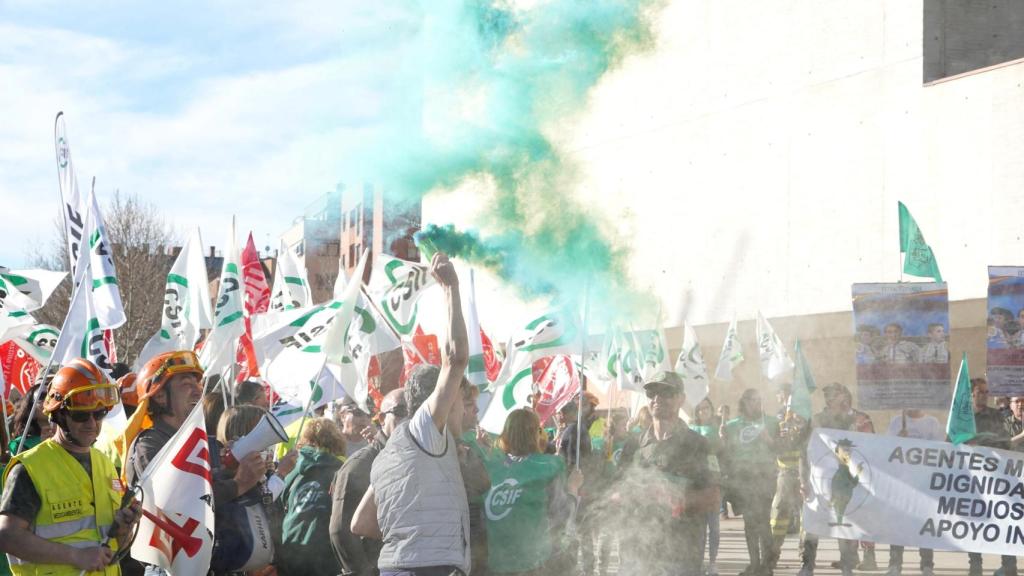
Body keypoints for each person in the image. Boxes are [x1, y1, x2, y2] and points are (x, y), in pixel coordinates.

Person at [352, 252, 471, 576]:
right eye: (461, 400)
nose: (467, 411)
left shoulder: (390, 452)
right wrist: (451, 288)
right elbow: (455, 359)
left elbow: (360, 522)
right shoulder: (424, 429)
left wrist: (409, 532)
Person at [0, 358, 141, 575]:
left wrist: (123, 527)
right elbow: (7, 535)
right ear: (58, 414)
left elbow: (113, 545)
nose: (92, 423)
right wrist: (76, 556)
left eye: (99, 413)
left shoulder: (105, 464)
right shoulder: (30, 468)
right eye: (81, 415)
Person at [617, 371, 713, 576]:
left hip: (681, 553)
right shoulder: (633, 444)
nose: (657, 398)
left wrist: (678, 500)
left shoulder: (699, 444)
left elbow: (713, 498)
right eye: (652, 393)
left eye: (666, 392)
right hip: (639, 552)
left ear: (681, 399)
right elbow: (616, 492)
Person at [482, 408, 582, 575]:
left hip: (497, 565)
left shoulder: (491, 467)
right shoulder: (548, 466)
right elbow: (561, 514)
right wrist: (573, 488)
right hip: (534, 563)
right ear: (535, 434)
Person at [330, 389, 408, 576]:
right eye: (399, 412)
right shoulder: (360, 464)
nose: (407, 419)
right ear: (381, 419)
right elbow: (339, 529)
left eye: (412, 412)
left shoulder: (411, 458)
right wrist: (364, 572)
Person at [798, 383, 864, 576]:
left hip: (844, 479)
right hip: (818, 479)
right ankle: (807, 565)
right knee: (813, 524)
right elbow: (803, 452)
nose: (837, 398)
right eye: (832, 395)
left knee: (843, 522)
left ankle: (846, 566)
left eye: (839, 394)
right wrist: (802, 480)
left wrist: (856, 428)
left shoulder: (854, 420)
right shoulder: (816, 420)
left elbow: (866, 447)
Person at [278, 417, 346, 576]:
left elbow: (279, 505)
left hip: (292, 552)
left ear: (305, 440)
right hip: (326, 558)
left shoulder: (292, 472)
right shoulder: (342, 473)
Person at [722, 389, 778, 576]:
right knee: (749, 522)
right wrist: (723, 440)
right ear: (744, 402)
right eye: (752, 400)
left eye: (759, 400)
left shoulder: (771, 422)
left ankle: (767, 565)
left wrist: (768, 439)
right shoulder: (732, 425)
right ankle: (754, 564)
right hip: (743, 477)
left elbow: (780, 448)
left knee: (763, 521)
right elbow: (727, 452)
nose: (756, 403)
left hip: (764, 475)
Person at [964, 377, 1017, 576]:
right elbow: (949, 444)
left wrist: (987, 445)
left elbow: (1006, 443)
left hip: (995, 478)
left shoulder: (996, 416)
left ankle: (1009, 566)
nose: (985, 396)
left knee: (1002, 519)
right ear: (971, 394)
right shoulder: (962, 418)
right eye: (980, 392)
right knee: (974, 524)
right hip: (970, 481)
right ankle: (975, 566)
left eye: (987, 392)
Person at [884, 409, 943, 576]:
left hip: (924, 484)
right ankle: (894, 565)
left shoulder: (932, 422)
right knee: (897, 526)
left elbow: (939, 450)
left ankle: (927, 566)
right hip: (901, 483)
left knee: (924, 526)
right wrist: (898, 440)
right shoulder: (896, 422)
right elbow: (885, 447)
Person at [766, 396, 809, 574]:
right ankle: (772, 557)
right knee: (778, 516)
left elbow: (811, 447)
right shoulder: (778, 421)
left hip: (805, 474)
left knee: (806, 519)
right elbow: (773, 448)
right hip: (785, 474)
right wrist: (779, 438)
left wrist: (801, 431)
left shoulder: (808, 422)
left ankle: (806, 560)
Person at [690, 398, 723, 576]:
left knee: (714, 526)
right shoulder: (690, 430)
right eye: (700, 409)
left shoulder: (718, 429)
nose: (703, 412)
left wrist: (722, 440)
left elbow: (722, 451)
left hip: (714, 480)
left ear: (711, 410)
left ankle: (712, 562)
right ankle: (699, 561)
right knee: (700, 526)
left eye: (707, 408)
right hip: (697, 481)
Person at [7, 384, 54, 455]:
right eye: (42, 396)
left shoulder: (73, 435)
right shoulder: (22, 445)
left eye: (53, 395)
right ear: (31, 411)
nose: (48, 399)